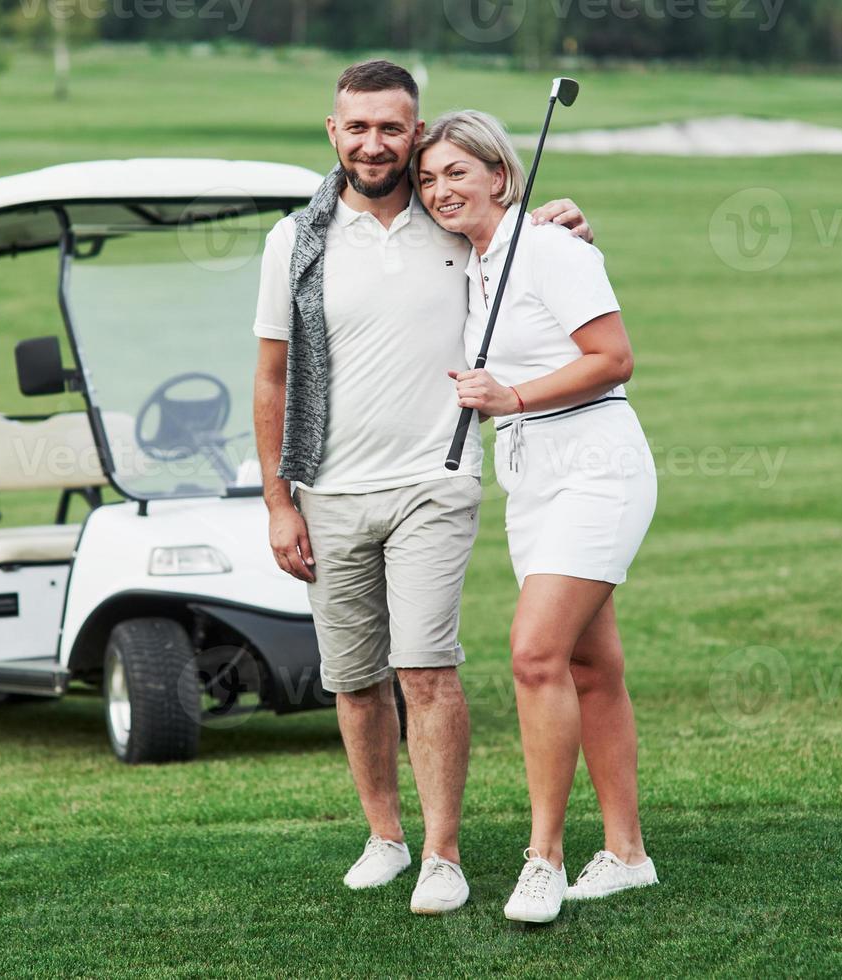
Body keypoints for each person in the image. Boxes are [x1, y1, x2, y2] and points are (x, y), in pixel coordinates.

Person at [252, 61, 592, 916]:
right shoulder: (293, 242)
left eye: (392, 128)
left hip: (433, 483)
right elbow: (271, 380)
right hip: (326, 489)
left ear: (415, 130)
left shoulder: (451, 216)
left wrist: (557, 221)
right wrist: (278, 501)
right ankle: (386, 837)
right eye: (357, 127)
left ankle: (443, 853)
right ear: (333, 132)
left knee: (424, 668)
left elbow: (520, 246)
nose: (375, 143)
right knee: (352, 677)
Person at [416, 109, 658, 924]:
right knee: (592, 666)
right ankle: (627, 854)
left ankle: (543, 857)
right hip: (531, 474)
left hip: (595, 464)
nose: (441, 190)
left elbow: (613, 357)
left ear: (499, 174)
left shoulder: (550, 247)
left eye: (456, 172)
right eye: (428, 179)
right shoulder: (476, 261)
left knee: (533, 654)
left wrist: (511, 395)